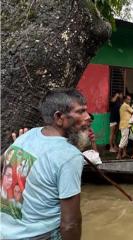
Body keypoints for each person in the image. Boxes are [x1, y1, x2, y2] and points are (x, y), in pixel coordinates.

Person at [0, 88, 91, 240]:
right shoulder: (69, 156)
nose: (88, 117)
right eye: (80, 112)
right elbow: (70, 223)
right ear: (59, 117)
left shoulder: (27, 135)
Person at [117, 95, 133, 159]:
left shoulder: (123, 106)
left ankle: (124, 153)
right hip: (125, 124)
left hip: (124, 124)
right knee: (124, 139)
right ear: (125, 100)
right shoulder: (126, 106)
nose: (129, 101)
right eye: (128, 99)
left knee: (125, 139)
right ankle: (118, 154)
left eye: (130, 99)